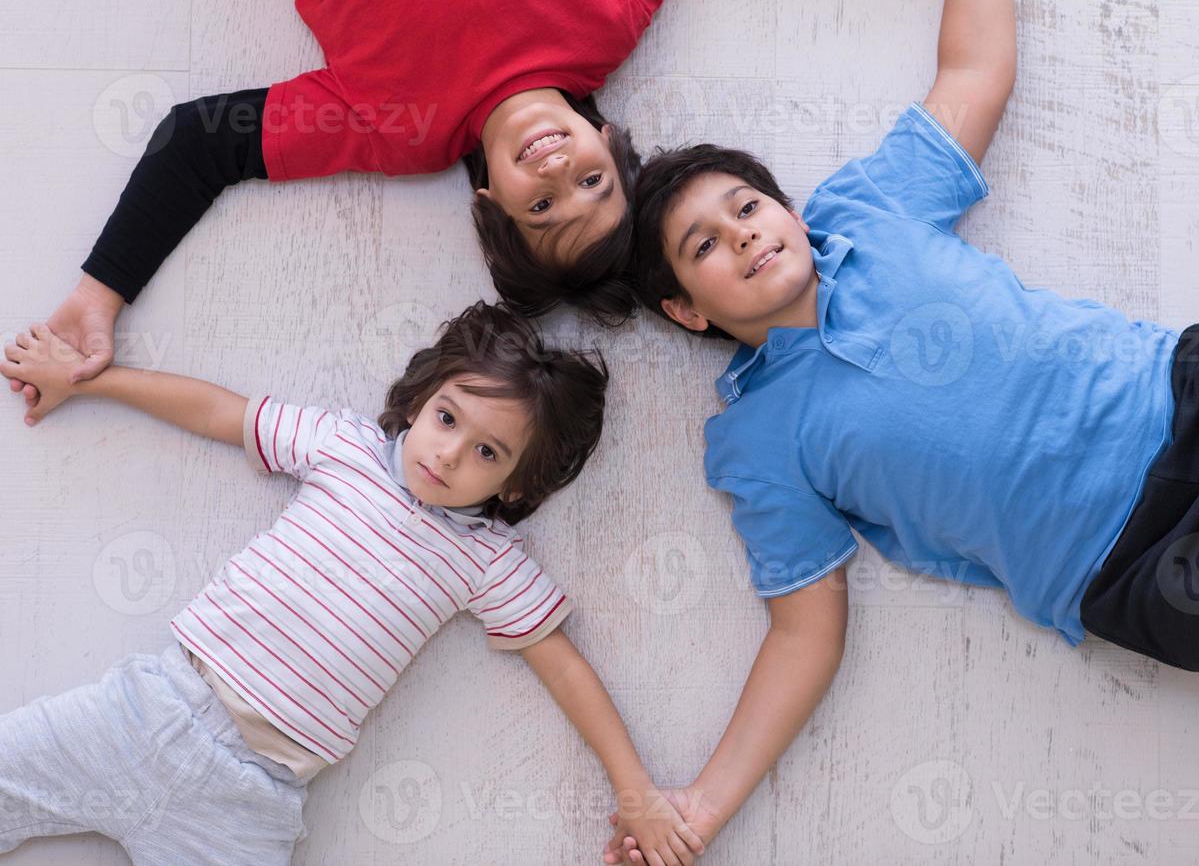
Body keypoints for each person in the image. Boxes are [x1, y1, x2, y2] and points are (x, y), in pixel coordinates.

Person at [610, 0, 1199, 856]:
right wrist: (700, 807)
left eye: (746, 206)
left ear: (787, 209)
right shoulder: (755, 441)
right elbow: (804, 633)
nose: (743, 234)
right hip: (1135, 562)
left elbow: (974, 70)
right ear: (688, 307)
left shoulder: (868, 212)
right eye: (705, 245)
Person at [6, 0, 951, 426]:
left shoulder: (401, 127)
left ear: (493, 201)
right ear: (609, 142)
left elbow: (194, 145)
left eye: (543, 207)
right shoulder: (604, 12)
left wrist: (99, 297)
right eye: (590, 180)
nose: (554, 173)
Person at [0, 303, 705, 865]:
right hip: (144, 711)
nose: (449, 453)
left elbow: (565, 669)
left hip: (253, 793)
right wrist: (90, 381)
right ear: (420, 400)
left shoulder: (489, 560)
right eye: (447, 418)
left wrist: (634, 789)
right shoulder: (345, 447)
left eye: (486, 451)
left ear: (517, 485)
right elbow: (222, 413)